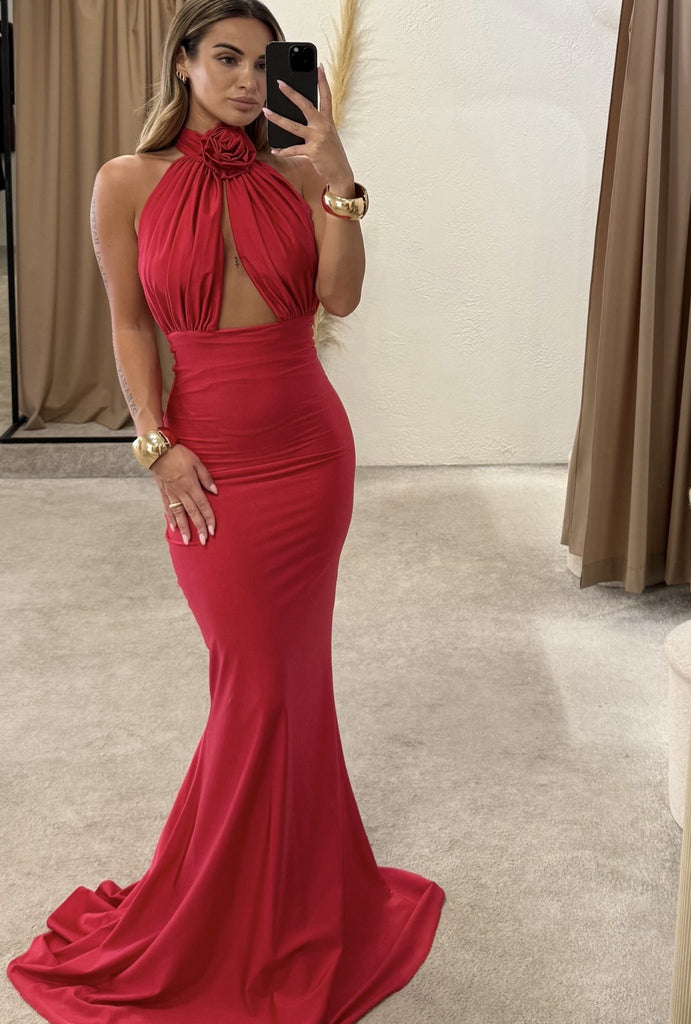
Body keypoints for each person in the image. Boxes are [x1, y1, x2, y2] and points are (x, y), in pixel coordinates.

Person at [6, 1, 444, 1020]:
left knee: (285, 684)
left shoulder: (302, 174)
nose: (248, 80)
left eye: (263, 62)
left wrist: (336, 174)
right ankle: (224, 908)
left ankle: (284, 901)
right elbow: (127, 321)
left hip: (309, 457)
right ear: (186, 63)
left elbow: (340, 301)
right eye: (227, 58)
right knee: (255, 683)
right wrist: (154, 443)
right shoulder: (126, 181)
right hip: (211, 463)